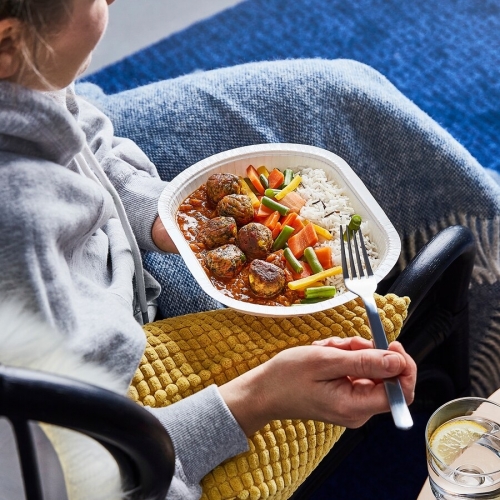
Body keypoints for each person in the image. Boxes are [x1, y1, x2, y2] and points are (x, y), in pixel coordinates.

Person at [0, 0, 417, 498]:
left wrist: (171, 221)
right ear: (7, 42)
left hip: (115, 255)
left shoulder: (29, 69)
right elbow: (96, 472)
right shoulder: (18, 230)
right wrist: (259, 397)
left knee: (333, 92)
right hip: (127, 414)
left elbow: (73, 126)